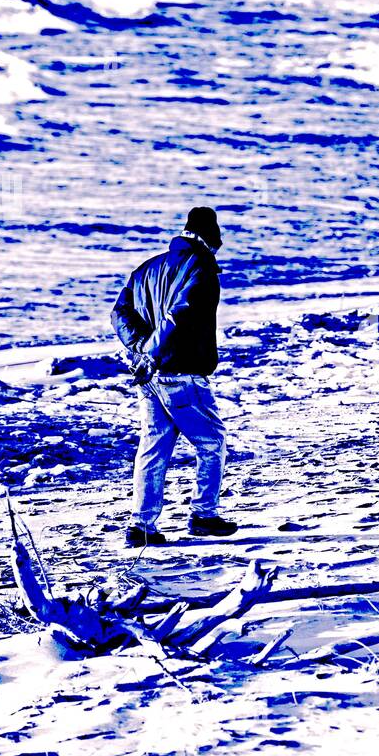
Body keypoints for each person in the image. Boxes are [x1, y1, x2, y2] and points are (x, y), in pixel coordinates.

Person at [111, 206, 237, 546]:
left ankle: (142, 526)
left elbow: (119, 312)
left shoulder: (145, 269)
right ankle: (203, 515)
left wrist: (138, 349)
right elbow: (180, 314)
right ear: (210, 237)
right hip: (179, 372)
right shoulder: (202, 266)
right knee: (212, 442)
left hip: (149, 376)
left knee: (154, 447)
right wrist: (150, 353)